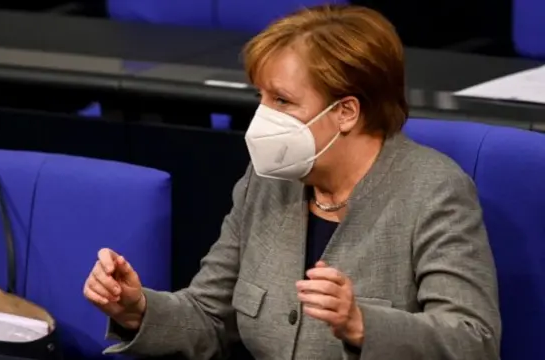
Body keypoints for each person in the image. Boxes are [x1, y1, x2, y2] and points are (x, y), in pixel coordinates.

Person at [83, 4, 501, 359]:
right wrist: (137, 310)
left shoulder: (433, 191)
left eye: (282, 101)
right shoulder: (268, 181)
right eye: (261, 98)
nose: (263, 117)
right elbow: (209, 315)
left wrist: (362, 325)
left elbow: (473, 340)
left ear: (346, 112)